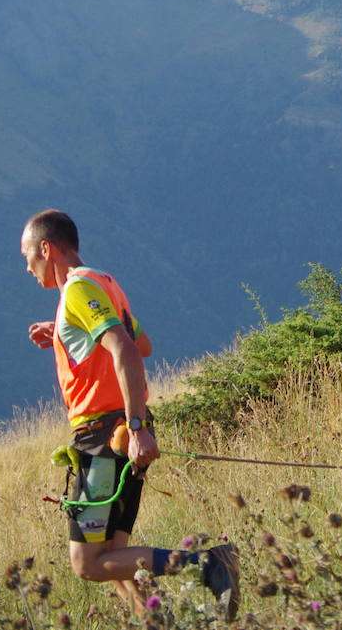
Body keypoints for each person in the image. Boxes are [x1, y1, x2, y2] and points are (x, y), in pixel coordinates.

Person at [21, 208, 239, 619]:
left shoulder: (78, 289)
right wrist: (66, 332)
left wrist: (136, 427)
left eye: (28, 256)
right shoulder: (104, 283)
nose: (28, 268)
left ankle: (209, 564)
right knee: (115, 558)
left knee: (87, 564)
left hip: (104, 438)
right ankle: (161, 623)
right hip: (119, 434)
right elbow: (145, 344)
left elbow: (124, 349)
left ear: (47, 248)